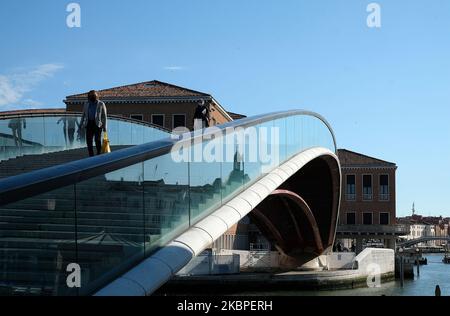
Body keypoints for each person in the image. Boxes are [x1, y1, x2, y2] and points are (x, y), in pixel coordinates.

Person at [80, 90, 107, 156]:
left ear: (96, 96)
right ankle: (91, 155)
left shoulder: (101, 103)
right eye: (90, 96)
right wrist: (81, 124)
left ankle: (98, 153)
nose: (91, 97)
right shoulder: (86, 103)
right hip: (89, 123)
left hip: (97, 124)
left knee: (97, 140)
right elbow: (83, 115)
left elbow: (104, 115)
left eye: (93, 96)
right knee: (89, 140)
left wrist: (105, 127)